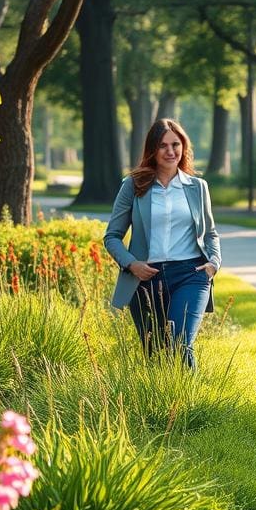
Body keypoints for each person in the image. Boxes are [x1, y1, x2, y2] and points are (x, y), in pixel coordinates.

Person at [104, 119, 221, 370]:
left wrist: (213, 263)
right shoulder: (133, 185)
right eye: (163, 146)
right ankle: (162, 407)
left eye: (176, 144)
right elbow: (112, 236)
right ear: (152, 150)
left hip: (190, 275)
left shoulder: (197, 187)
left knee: (180, 344)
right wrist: (131, 264)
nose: (171, 151)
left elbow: (210, 233)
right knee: (155, 353)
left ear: (184, 147)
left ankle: (192, 405)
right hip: (145, 279)